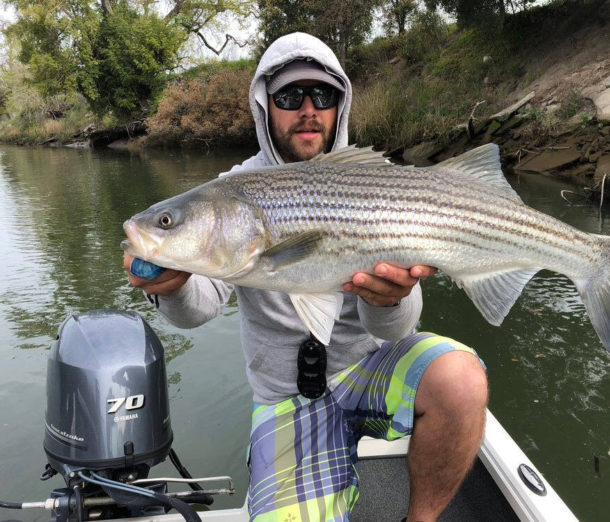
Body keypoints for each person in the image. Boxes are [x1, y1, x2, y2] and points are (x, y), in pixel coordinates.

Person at [125, 32, 488, 522]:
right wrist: (172, 288)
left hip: (370, 368)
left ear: (341, 104)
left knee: (461, 379)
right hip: (285, 399)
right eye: (291, 97)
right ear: (265, 106)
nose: (309, 109)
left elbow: (397, 330)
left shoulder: (379, 183)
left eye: (324, 95)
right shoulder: (233, 189)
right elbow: (199, 307)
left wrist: (388, 301)